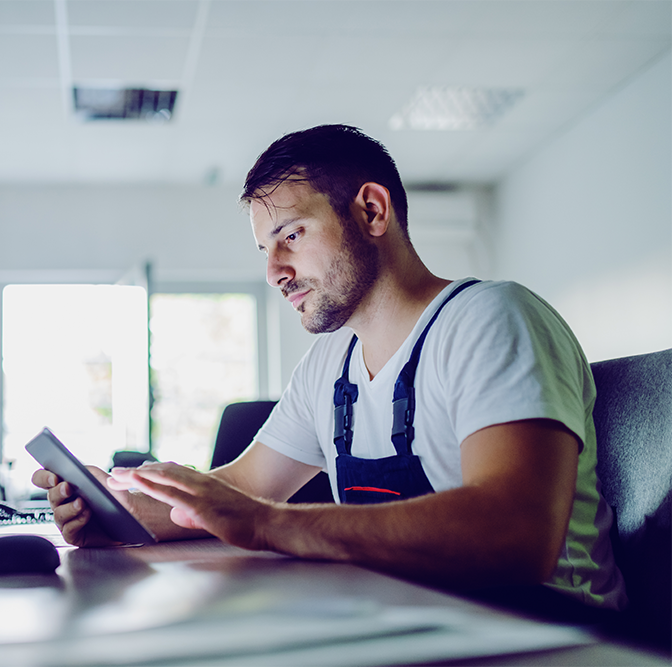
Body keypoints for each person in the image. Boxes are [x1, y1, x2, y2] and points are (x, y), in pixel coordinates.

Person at [32, 124, 626, 614]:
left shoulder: (493, 318)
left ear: (371, 211)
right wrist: (113, 513)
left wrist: (271, 525)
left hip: (550, 636)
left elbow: (516, 535)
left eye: (291, 235)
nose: (276, 272)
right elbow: (239, 492)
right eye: (266, 250)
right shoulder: (329, 367)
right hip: (414, 618)